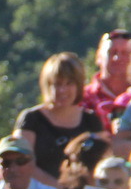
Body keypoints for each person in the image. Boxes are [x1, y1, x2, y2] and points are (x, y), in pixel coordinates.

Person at [15, 52, 108, 182]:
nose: (62, 90)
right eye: (57, 84)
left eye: (69, 83)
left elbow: (103, 163)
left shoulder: (91, 121)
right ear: (47, 85)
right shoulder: (31, 119)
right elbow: (21, 164)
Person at [81, 29, 131, 128]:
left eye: (125, 53)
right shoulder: (82, 98)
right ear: (98, 57)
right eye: (112, 52)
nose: (118, 58)